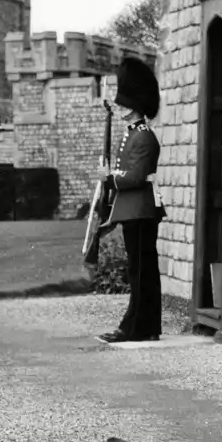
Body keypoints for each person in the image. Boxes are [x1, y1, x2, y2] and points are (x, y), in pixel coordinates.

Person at [92, 56, 166, 343]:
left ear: (135, 106)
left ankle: (136, 326)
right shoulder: (134, 134)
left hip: (141, 209)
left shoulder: (145, 137)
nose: (120, 108)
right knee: (139, 271)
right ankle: (143, 326)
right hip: (132, 209)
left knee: (141, 271)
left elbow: (134, 176)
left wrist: (109, 178)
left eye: (125, 103)